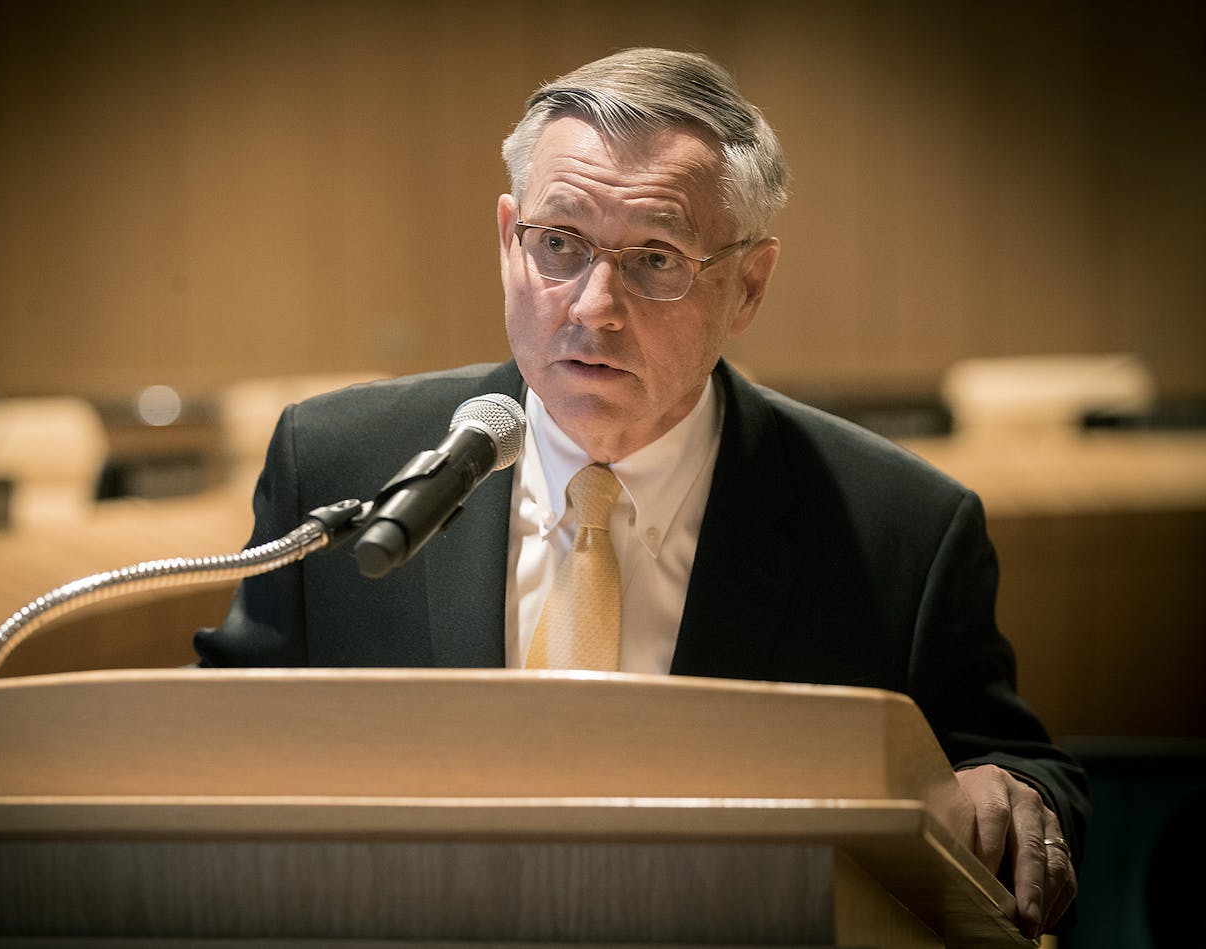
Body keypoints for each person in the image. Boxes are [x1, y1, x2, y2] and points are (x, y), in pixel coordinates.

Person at [195, 47, 1086, 937]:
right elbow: (210, 740)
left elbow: (1015, 775)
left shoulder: (903, 528)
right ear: (508, 239)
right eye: (559, 243)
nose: (592, 306)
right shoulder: (342, 464)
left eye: (656, 258)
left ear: (750, 284)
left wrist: (1004, 791)